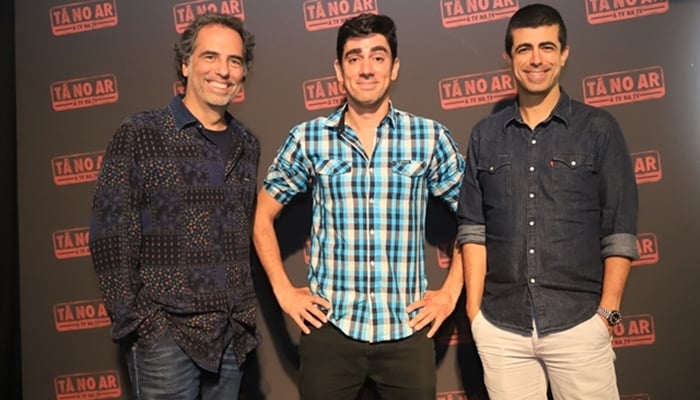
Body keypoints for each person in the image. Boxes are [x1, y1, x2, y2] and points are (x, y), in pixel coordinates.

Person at [253, 13, 465, 400]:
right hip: (331, 332)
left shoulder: (430, 137)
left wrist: (450, 292)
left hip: (406, 332)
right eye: (354, 58)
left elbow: (473, 220)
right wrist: (284, 292)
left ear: (395, 66)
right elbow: (262, 216)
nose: (366, 69)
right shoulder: (308, 139)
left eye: (378, 56)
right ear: (338, 69)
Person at [457, 4, 639, 399]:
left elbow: (620, 229)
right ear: (508, 57)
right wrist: (475, 316)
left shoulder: (599, 129)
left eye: (546, 47)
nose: (536, 59)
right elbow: (472, 230)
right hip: (503, 328)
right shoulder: (485, 135)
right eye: (524, 49)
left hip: (578, 324)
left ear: (564, 53)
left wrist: (607, 314)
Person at [89, 12, 259, 400]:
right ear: (186, 64)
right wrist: (141, 324)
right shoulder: (142, 133)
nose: (224, 70)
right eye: (210, 57)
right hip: (167, 339)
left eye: (234, 61)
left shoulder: (248, 144)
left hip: (231, 338)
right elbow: (110, 233)